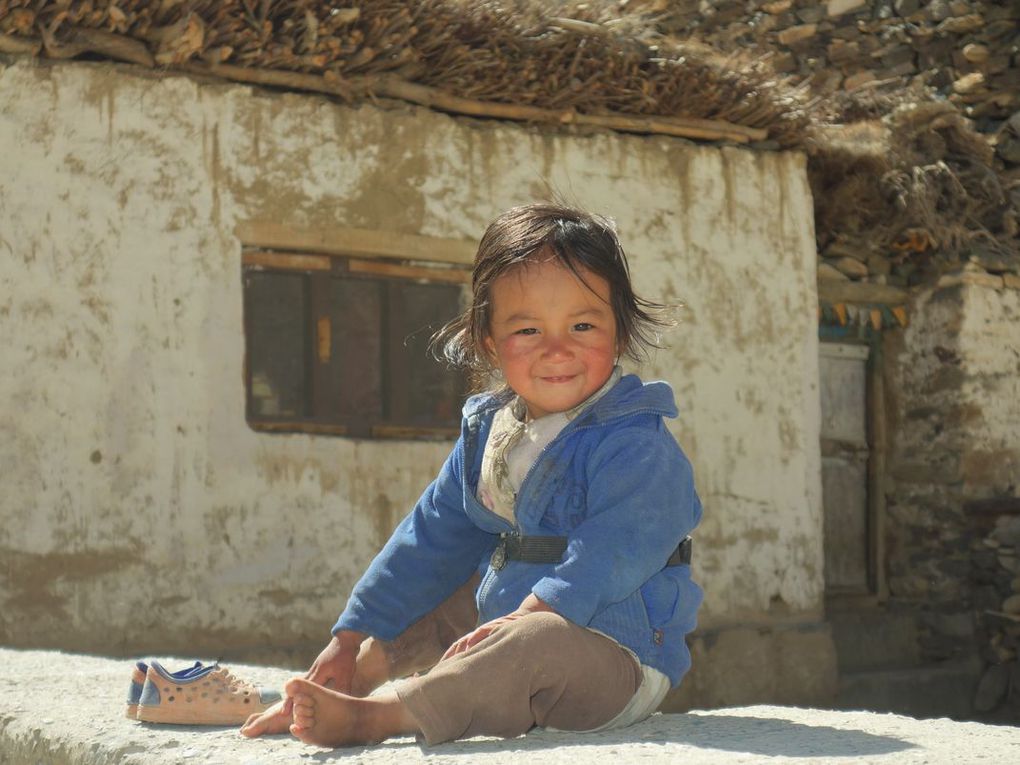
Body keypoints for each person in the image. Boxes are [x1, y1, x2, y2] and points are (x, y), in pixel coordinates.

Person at [241, 203, 703, 747]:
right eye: (528, 328)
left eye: (582, 325)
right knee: (439, 602)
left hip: (610, 655)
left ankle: (381, 717)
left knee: (534, 643)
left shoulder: (633, 439)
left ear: (620, 333)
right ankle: (346, 682)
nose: (557, 348)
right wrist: (352, 633)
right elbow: (428, 537)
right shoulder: (490, 432)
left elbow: (614, 550)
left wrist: (533, 614)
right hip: (505, 630)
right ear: (488, 339)